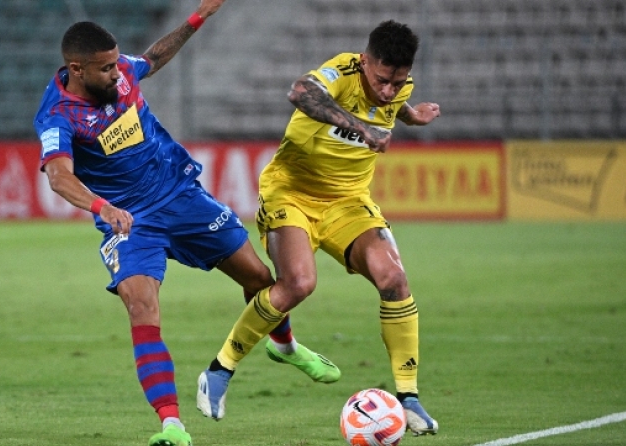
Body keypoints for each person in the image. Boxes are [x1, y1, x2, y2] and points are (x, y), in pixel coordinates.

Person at [33, 3, 336, 445]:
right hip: (130, 220)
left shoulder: (122, 73)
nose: (118, 74)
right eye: (107, 68)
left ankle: (284, 346)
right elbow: (59, 176)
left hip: (180, 196)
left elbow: (153, 57)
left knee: (259, 279)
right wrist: (103, 208)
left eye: (117, 63)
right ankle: (172, 425)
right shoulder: (58, 115)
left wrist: (198, 18)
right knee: (141, 308)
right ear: (76, 69)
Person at [197, 20, 441, 437]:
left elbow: (392, 104)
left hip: (348, 201)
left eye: (397, 83)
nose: (388, 90)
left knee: (394, 279)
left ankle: (408, 397)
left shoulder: (400, 87)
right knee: (298, 284)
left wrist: (412, 116)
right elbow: (300, 92)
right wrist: (362, 128)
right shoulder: (343, 72)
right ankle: (219, 370)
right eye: (382, 80)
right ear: (365, 62)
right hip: (291, 192)